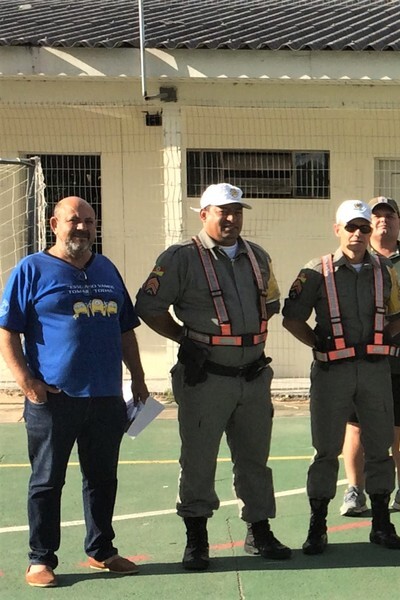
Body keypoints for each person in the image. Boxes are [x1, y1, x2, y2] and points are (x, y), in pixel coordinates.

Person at [135, 183, 291, 571]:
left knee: (255, 459)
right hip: (206, 379)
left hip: (253, 377)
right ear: (204, 214)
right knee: (199, 459)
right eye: (223, 211)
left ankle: (258, 530)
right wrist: (182, 338)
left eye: (237, 211)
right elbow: (148, 305)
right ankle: (197, 538)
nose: (231, 218)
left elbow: (270, 303)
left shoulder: (258, 256)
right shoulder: (180, 258)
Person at [0, 196, 147, 587]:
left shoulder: (106, 268)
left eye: (89, 221)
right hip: (53, 398)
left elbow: (125, 329)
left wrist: (138, 377)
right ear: (54, 224)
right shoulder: (31, 269)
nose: (82, 227)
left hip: (106, 396)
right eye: (73, 220)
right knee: (47, 481)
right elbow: (7, 331)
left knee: (102, 478)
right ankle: (40, 559)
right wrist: (27, 382)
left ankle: (102, 550)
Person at [282, 200, 400, 554]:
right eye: (351, 227)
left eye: (364, 227)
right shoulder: (315, 271)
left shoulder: (385, 270)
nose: (357, 234)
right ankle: (317, 525)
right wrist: (317, 343)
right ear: (337, 229)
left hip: (374, 372)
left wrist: (381, 340)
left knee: (380, 448)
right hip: (331, 373)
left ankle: (381, 523)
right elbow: (292, 318)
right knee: (325, 450)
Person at [338, 197, 400, 518]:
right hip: (362, 360)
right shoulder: (356, 255)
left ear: (399, 221)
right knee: (356, 426)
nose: (383, 221)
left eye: (389, 215)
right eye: (376, 216)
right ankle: (355, 490)